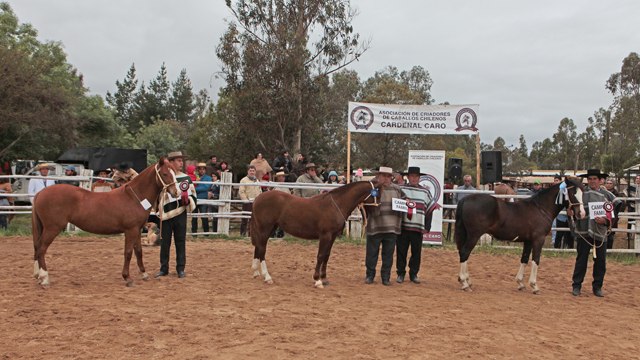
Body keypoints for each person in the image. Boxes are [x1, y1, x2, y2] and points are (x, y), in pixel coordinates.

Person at [568, 169, 622, 297]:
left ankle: (597, 287)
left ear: (600, 180)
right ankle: (577, 285)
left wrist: (606, 220)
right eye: (590, 179)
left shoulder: (607, 195)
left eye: (594, 179)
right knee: (581, 259)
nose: (592, 181)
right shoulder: (582, 193)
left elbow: (615, 210)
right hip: (584, 229)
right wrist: (572, 213)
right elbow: (574, 205)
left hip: (600, 231)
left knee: (600, 261)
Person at [155, 151, 196, 279]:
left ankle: (180, 268)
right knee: (165, 242)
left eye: (181, 161)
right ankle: (164, 268)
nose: (181, 163)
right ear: (171, 162)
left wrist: (188, 200)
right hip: (166, 214)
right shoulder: (163, 176)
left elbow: (193, 194)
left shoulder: (186, 178)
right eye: (178, 161)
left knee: (180, 241)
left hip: (180, 212)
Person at [364, 166, 406, 286]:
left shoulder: (397, 189)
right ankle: (370, 275)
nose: (386, 178)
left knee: (388, 254)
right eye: (384, 176)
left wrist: (407, 202)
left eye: (388, 176)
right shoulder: (370, 187)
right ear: (378, 176)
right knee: (372, 253)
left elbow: (405, 199)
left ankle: (385, 277)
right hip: (374, 225)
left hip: (392, 227)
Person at [396, 167, 435, 284]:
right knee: (401, 251)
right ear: (408, 177)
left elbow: (430, 209)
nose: (414, 178)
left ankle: (413, 274)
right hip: (402, 226)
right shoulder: (400, 189)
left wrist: (427, 226)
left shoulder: (425, 191)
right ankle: (401, 273)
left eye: (416, 176)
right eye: (412, 176)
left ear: (419, 178)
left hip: (418, 227)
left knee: (416, 252)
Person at [239, 165, 261, 236]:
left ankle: (251, 234)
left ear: (255, 172)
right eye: (250, 171)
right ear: (248, 171)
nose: (252, 172)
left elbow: (259, 190)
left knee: (254, 219)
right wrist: (245, 201)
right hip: (247, 202)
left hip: (256, 202)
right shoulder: (243, 180)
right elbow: (241, 191)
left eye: (253, 171)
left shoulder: (257, 180)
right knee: (245, 219)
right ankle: (242, 234)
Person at [551, 176, 572, 249]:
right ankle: (556, 247)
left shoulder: (571, 190)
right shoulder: (560, 190)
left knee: (570, 234)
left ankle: (570, 248)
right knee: (559, 234)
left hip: (570, 216)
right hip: (561, 216)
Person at [192, 163, 212, 237]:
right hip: (195, 198)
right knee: (194, 217)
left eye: (203, 169)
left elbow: (206, 188)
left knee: (204, 216)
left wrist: (194, 189)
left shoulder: (208, 178)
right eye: (200, 169)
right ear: (198, 170)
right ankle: (194, 233)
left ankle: (206, 233)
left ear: (205, 170)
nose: (201, 170)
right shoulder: (194, 177)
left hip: (203, 199)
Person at [270, 171, 290, 238]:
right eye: (282, 176)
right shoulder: (274, 186)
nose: (284, 178)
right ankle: (273, 233)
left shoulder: (285, 186)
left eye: (284, 176)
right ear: (278, 177)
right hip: (276, 206)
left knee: (282, 220)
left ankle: (280, 233)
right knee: (274, 220)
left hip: (284, 205)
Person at [622, 176, 639, 245]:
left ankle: (637, 233)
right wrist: (627, 205)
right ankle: (628, 235)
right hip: (632, 206)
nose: (638, 180)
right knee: (630, 221)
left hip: (639, 207)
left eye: (639, 178)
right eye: (637, 178)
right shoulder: (631, 187)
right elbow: (626, 194)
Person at [604, 178, 620, 249]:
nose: (608, 185)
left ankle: (609, 250)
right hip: (603, 216)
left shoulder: (617, 195)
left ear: (613, 185)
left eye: (610, 183)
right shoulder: (602, 193)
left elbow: (621, 205)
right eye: (607, 183)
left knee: (611, 234)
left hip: (613, 217)